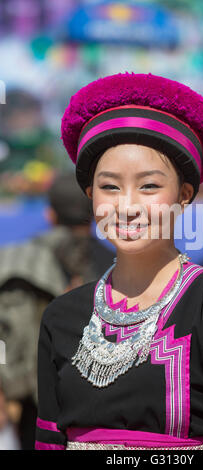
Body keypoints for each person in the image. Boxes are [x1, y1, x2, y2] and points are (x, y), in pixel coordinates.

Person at [35, 72, 203, 451]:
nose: (127, 207)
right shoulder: (61, 317)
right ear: (90, 194)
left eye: (149, 186)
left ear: (184, 195)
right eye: (110, 186)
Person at [0, 172, 114, 449]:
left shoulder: (15, 260)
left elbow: (5, 335)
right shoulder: (117, 264)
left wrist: (6, 389)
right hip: (104, 407)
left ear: (50, 215)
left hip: (35, 408)